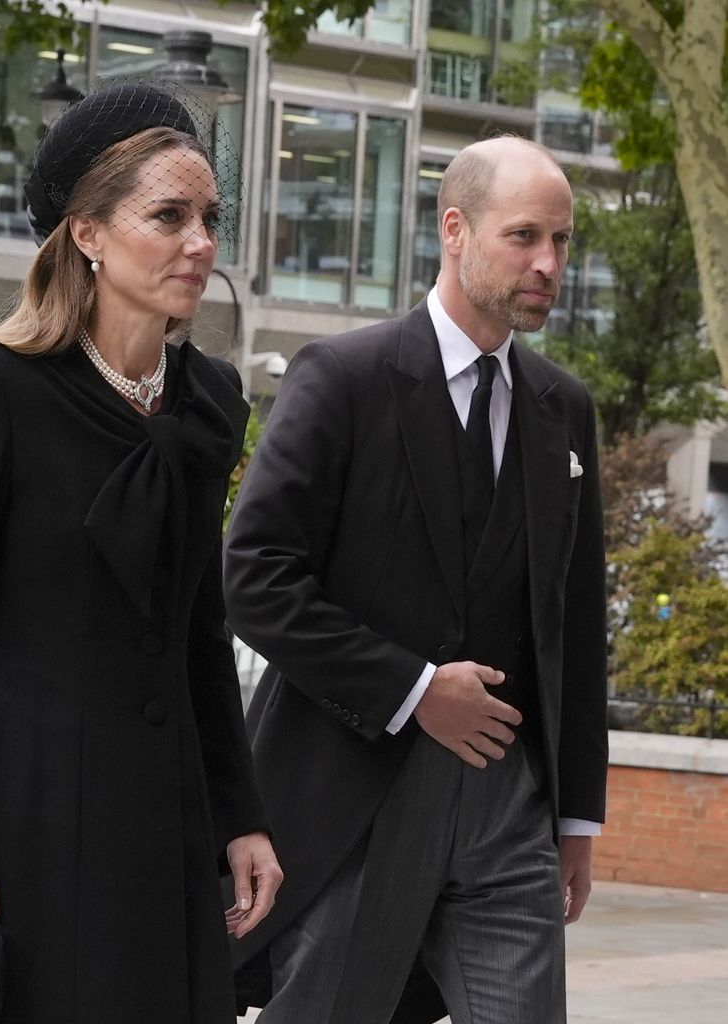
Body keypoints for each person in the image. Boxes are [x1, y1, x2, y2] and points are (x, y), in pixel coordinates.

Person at [0, 82, 282, 1024]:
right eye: (168, 215)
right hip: (37, 818)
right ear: (89, 234)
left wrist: (241, 814)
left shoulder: (213, 400)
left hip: (173, 819)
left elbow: (199, 626)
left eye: (209, 218)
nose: (200, 242)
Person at [223, 136, 608, 1024]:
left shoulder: (564, 410)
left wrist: (576, 819)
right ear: (455, 229)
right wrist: (414, 689)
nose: (548, 264)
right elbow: (252, 575)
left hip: (512, 808)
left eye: (561, 242)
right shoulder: (346, 377)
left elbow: (575, 622)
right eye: (524, 237)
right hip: (364, 791)